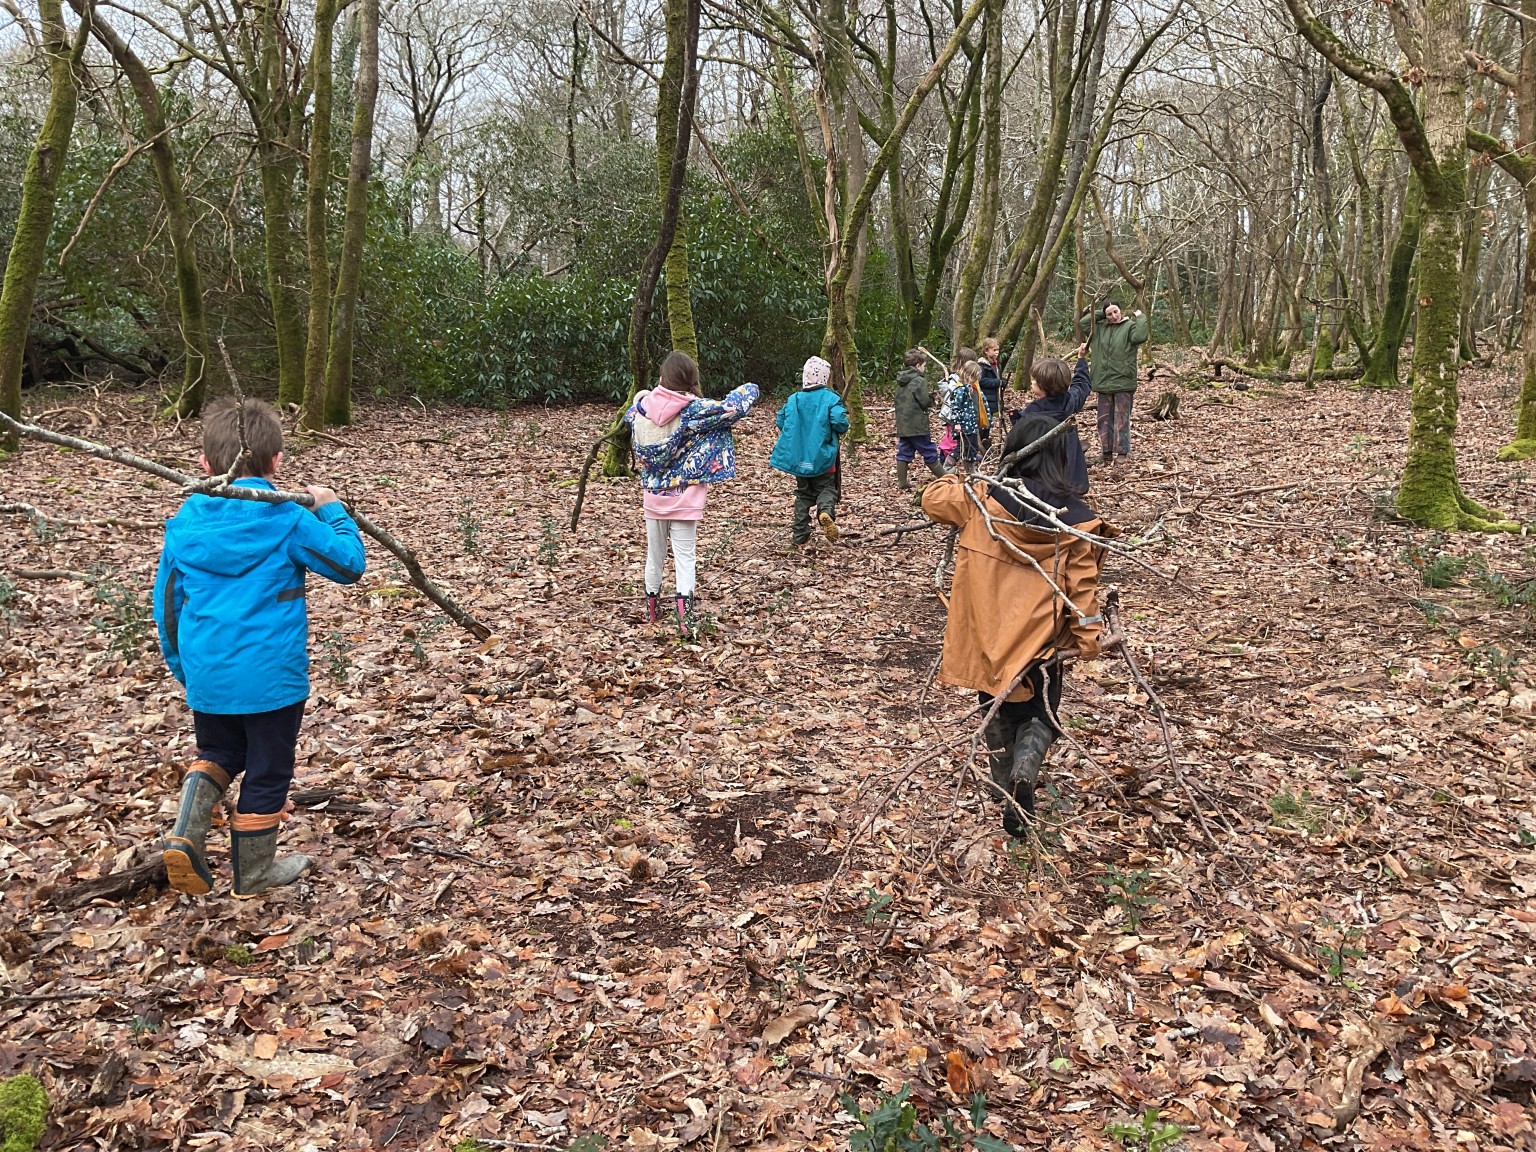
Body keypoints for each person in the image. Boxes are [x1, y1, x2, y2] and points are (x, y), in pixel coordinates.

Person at [153, 398, 366, 898]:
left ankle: (188, 831)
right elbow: (349, 565)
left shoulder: (186, 522)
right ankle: (254, 873)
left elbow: (168, 605)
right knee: (268, 769)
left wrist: (184, 668)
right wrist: (332, 509)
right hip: (271, 676)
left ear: (205, 465)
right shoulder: (286, 518)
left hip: (208, 671)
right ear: (277, 463)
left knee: (220, 751)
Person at [919, 412, 1117, 835]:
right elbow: (1081, 591)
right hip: (1040, 642)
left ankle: (1004, 786)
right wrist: (1087, 639)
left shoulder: (981, 501)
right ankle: (1026, 766)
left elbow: (932, 497)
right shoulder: (1078, 520)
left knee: (994, 704)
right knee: (1041, 713)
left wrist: (975, 479)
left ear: (1016, 453)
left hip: (988, 636)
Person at [624, 351, 758, 634]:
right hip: (684, 497)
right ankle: (685, 621)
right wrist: (752, 386)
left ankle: (652, 610)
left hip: (653, 496)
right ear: (691, 381)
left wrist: (642, 396)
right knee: (685, 557)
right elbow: (739, 404)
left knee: (654, 554)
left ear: (662, 378)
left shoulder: (640, 411)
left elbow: (632, 410)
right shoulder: (695, 411)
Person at [769, 355, 849, 545]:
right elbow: (840, 423)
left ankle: (799, 535)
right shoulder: (830, 398)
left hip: (799, 459)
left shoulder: (794, 399)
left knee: (803, 494)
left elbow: (780, 420)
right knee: (827, 488)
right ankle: (825, 512)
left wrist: (797, 434)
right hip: (823, 459)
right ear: (824, 378)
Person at [1083, 300, 1148, 463]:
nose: (1113, 316)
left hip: (1123, 381)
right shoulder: (1099, 329)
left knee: (1122, 418)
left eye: (1116, 312)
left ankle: (1121, 453)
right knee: (1103, 419)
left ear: (1121, 311)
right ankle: (1106, 452)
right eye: (1109, 314)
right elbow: (1083, 322)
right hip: (1103, 381)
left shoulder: (1130, 327)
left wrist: (1140, 317)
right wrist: (1100, 312)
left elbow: (1141, 336)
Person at [1019, 351, 1092, 492]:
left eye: (1033, 381)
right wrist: (1081, 360)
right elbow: (1082, 385)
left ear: (1041, 386)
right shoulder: (1071, 400)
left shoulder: (1031, 413)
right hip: (1069, 472)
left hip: (1044, 475)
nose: (1031, 383)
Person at [893, 348, 944, 490]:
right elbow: (923, 401)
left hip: (903, 424)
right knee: (928, 450)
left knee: (904, 451)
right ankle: (945, 477)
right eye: (924, 365)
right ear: (918, 365)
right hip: (917, 425)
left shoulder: (901, 381)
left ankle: (902, 482)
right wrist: (932, 399)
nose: (924, 368)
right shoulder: (919, 380)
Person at [951, 359, 989, 471]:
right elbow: (955, 409)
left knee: (972, 448)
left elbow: (980, 407)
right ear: (969, 376)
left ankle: (971, 470)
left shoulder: (974, 389)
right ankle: (948, 466)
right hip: (963, 426)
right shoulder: (961, 390)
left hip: (972, 425)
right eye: (975, 377)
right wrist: (957, 426)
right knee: (961, 448)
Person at [978, 337, 1004, 443]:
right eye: (994, 350)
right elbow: (981, 381)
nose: (997, 352)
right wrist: (997, 382)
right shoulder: (982, 366)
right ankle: (981, 441)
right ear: (986, 351)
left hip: (993, 399)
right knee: (983, 423)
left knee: (988, 422)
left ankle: (986, 441)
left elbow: (998, 378)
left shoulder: (996, 365)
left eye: (998, 350)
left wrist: (1002, 381)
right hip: (985, 399)